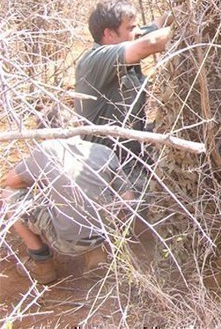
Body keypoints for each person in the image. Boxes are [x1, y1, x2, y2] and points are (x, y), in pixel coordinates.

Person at [1, 107, 135, 285]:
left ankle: (42, 262)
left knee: (9, 194)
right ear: (79, 126)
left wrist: (40, 179)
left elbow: (11, 181)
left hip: (64, 240)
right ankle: (97, 251)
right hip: (102, 233)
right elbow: (129, 198)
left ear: (45, 132)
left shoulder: (47, 149)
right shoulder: (104, 151)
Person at [74, 0, 174, 190]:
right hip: (106, 167)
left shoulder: (129, 37)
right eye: (131, 28)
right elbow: (149, 44)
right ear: (109, 34)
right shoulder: (96, 60)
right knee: (146, 207)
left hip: (132, 153)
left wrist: (186, 10)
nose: (137, 32)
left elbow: (158, 23)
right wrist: (193, 29)